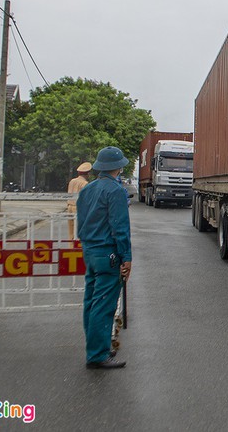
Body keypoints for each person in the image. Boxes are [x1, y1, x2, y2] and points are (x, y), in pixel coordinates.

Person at [77, 147, 133, 369]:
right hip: (107, 253)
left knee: (91, 302)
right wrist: (126, 256)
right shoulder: (116, 191)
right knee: (103, 305)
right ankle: (98, 354)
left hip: (90, 251)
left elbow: (81, 222)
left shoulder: (87, 190)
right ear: (118, 168)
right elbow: (120, 227)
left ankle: (95, 347)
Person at [67, 162, 92, 239]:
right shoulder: (85, 183)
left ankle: (70, 248)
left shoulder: (72, 181)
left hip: (69, 207)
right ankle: (77, 249)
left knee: (71, 231)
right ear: (88, 174)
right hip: (78, 208)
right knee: (79, 231)